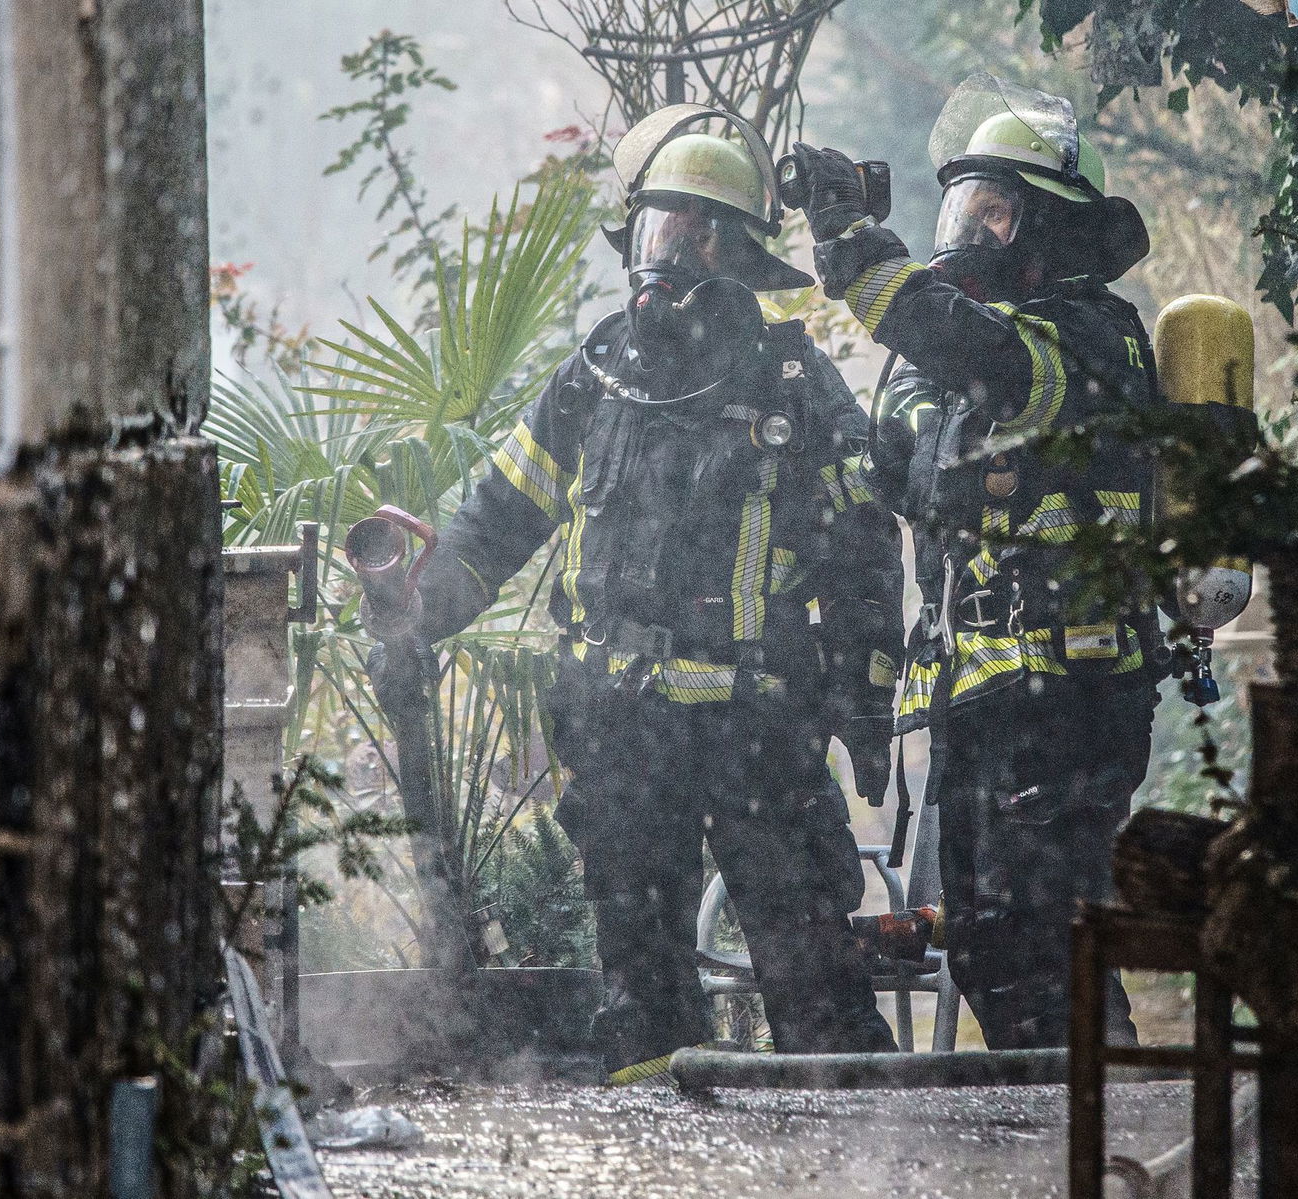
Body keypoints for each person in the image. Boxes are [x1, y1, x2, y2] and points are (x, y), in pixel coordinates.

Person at [367, 105, 904, 1082]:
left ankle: (859, 1144)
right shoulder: (596, 377)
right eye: (657, 230)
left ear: (738, 254)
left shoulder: (792, 382)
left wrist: (866, 702)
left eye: (694, 236)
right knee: (642, 995)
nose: (668, 257)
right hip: (622, 735)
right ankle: (661, 1147)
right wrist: (418, 619)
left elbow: (865, 555)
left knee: (814, 979)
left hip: (757, 731)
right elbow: (491, 526)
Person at [795, 73, 1163, 1049]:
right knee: (995, 945)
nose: (967, 232)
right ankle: (1080, 1119)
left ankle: (1102, 1118)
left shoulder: (1088, 339)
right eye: (961, 207)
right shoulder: (981, 361)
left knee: (1041, 946)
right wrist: (919, 388)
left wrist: (854, 244)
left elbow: (968, 353)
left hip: (1068, 700)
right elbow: (906, 467)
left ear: (1049, 228)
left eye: (991, 212)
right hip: (992, 701)